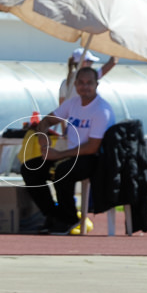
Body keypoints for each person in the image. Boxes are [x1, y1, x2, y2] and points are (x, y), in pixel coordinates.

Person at [22, 66, 115, 234]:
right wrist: (45, 145)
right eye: (81, 83)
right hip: (69, 153)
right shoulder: (72, 103)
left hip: (93, 158)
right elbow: (45, 122)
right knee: (30, 168)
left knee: (62, 171)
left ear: (97, 85)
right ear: (75, 85)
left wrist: (59, 154)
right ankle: (53, 216)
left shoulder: (102, 110)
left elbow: (92, 146)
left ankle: (69, 220)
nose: (85, 87)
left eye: (89, 83)